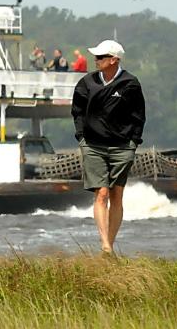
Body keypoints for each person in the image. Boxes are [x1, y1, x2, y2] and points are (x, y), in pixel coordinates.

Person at [71, 39, 146, 256]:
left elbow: (138, 116)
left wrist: (133, 142)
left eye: (101, 57)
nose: (96, 60)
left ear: (114, 59)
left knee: (117, 194)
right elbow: (77, 111)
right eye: (96, 57)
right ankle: (105, 244)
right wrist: (81, 138)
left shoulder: (131, 84)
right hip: (93, 146)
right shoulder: (86, 83)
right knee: (101, 193)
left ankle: (109, 246)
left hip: (123, 147)